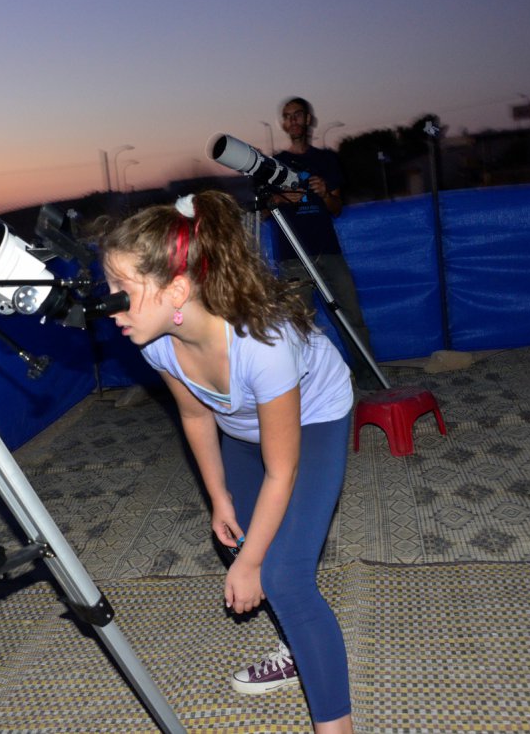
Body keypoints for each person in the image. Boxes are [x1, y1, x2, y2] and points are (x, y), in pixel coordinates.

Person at [97, 190, 355, 733]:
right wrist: (218, 497)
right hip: (239, 425)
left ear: (178, 290)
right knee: (240, 536)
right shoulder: (157, 342)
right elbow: (195, 417)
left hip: (313, 419)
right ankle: (299, 650)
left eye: (123, 290)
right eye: (110, 288)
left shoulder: (263, 345)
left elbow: (282, 470)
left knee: (281, 574)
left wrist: (251, 563)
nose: (109, 304)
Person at [268, 96, 378, 388]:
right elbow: (264, 210)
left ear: (309, 120)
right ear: (283, 124)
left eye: (298, 115)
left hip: (328, 251)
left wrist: (326, 192)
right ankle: (305, 388)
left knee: (351, 316)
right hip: (292, 256)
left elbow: (336, 208)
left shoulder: (326, 160)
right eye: (287, 116)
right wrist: (280, 198)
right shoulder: (274, 164)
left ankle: (369, 378)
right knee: (298, 325)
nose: (293, 121)